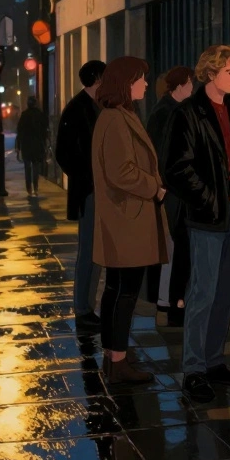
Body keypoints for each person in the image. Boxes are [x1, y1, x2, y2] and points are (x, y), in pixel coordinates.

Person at [165, 45, 230, 403]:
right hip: (207, 215)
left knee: (227, 291)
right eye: (229, 72)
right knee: (202, 292)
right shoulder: (189, 113)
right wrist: (209, 198)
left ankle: (214, 360)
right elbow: (177, 168)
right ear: (211, 73)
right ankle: (194, 369)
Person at [91, 56, 169, 385]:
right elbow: (122, 172)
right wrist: (155, 187)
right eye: (140, 79)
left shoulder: (119, 116)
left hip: (124, 218)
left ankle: (113, 356)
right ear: (126, 84)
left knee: (116, 289)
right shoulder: (115, 120)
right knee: (125, 292)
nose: (146, 85)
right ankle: (118, 361)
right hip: (127, 218)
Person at [56, 60, 107, 331]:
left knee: (96, 251)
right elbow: (63, 152)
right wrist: (87, 177)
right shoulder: (77, 109)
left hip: (100, 189)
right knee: (88, 250)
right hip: (89, 190)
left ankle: (87, 306)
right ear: (97, 79)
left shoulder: (99, 106)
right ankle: (83, 308)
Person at [147, 66, 196, 326]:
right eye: (190, 83)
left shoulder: (169, 109)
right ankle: (168, 305)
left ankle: (169, 304)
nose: (192, 88)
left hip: (171, 190)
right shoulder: (168, 112)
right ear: (180, 85)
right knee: (172, 248)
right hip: (170, 192)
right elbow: (161, 154)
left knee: (173, 248)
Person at [16, 95, 49, 197]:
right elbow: (45, 131)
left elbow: (19, 131)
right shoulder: (40, 115)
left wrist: (18, 147)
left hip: (26, 145)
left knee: (27, 167)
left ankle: (29, 189)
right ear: (35, 103)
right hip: (38, 145)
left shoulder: (24, 115)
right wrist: (45, 144)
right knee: (35, 166)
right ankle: (36, 187)